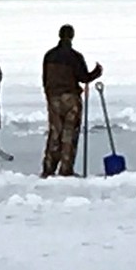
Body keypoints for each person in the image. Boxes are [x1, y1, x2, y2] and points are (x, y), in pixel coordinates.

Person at [41, 24, 102, 177]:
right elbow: (83, 77)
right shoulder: (75, 56)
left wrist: (49, 95)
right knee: (69, 134)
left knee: (55, 132)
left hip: (53, 97)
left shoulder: (49, 55)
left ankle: (48, 168)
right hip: (71, 98)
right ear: (72, 36)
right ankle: (65, 169)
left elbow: (45, 78)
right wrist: (97, 72)